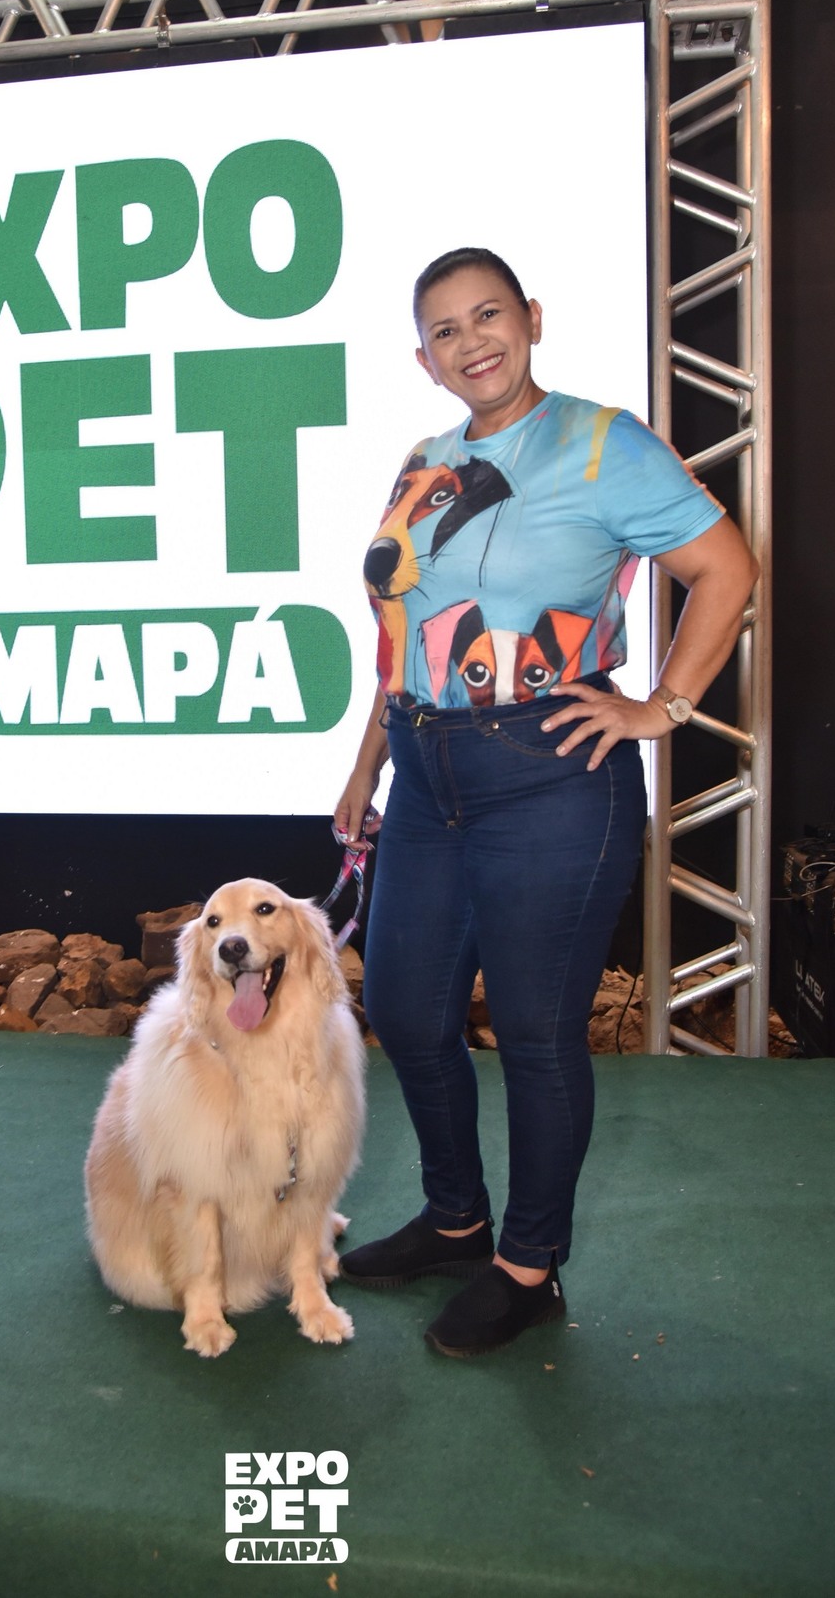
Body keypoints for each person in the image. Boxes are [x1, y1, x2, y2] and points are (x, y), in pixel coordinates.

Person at [333, 246, 759, 1358]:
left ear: (531, 317)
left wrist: (661, 707)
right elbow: (406, 634)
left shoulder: (602, 442)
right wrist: (367, 763)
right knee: (408, 1010)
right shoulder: (425, 459)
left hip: (550, 777)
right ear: (423, 360)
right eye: (445, 330)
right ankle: (455, 1221)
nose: (471, 342)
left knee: (533, 1031)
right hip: (424, 773)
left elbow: (727, 569)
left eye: (489, 315)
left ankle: (527, 1265)